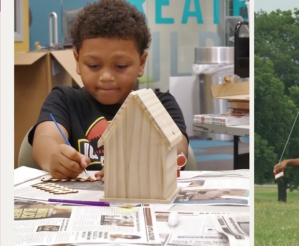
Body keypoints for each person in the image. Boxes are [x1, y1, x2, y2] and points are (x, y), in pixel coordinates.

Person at [28, 0, 189, 180]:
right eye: (94, 65)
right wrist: (53, 157)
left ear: (141, 63)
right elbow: (44, 139)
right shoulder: (64, 100)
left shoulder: (161, 104)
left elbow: (179, 148)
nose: (106, 77)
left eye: (120, 66)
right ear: (77, 61)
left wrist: (144, 163)